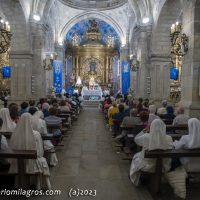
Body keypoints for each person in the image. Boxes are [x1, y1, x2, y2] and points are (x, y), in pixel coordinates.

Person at [9, 113, 51, 189]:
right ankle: (36, 184)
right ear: (31, 121)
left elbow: (12, 147)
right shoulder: (36, 134)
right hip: (33, 160)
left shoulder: (15, 133)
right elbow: (40, 151)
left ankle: (19, 184)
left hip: (19, 161)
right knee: (41, 159)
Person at [130, 119, 173, 186]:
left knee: (136, 156)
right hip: (163, 166)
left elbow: (136, 140)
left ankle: (137, 178)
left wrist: (144, 130)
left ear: (151, 127)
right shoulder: (169, 138)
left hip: (148, 166)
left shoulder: (146, 136)